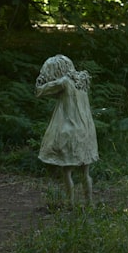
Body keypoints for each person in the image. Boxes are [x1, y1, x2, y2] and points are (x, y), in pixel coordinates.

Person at [35, 54, 98, 204]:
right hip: (86, 130)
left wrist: (41, 80)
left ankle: (70, 203)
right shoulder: (81, 81)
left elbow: (40, 91)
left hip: (69, 130)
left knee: (67, 171)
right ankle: (89, 203)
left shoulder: (64, 82)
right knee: (85, 172)